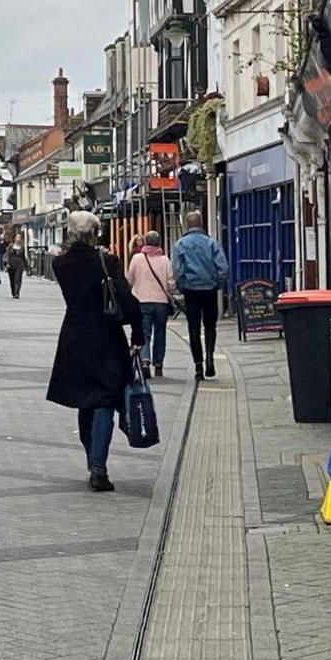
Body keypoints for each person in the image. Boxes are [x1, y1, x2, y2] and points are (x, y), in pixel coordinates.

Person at [49, 210, 142, 492]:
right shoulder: (108, 261)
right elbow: (126, 297)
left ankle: (92, 460)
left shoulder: (60, 264)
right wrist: (138, 333)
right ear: (93, 233)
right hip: (105, 337)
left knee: (85, 400)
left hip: (74, 337)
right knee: (104, 400)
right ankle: (99, 469)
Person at [170, 210, 229, 380]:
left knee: (193, 328)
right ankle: (210, 357)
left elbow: (177, 269)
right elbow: (223, 267)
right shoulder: (212, 243)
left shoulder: (180, 245)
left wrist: (182, 286)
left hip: (191, 291)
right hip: (209, 290)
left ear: (187, 225)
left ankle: (198, 366)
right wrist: (218, 283)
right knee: (210, 326)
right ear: (201, 223)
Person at [126, 231, 178, 378]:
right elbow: (171, 283)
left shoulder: (137, 258)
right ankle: (159, 364)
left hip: (141, 302)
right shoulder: (165, 260)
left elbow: (129, 279)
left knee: (144, 333)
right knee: (160, 333)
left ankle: (145, 361)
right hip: (161, 303)